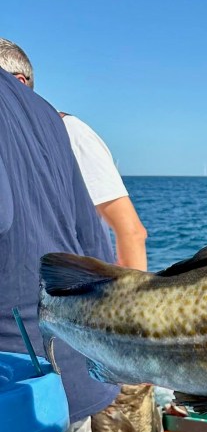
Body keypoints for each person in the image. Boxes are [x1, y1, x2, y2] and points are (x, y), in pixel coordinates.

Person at [0, 38, 142, 432]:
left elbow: (123, 236)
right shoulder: (50, 122)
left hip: (18, 392)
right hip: (67, 378)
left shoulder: (60, 125)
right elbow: (93, 248)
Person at [0, 39, 148, 272]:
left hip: (77, 295)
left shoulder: (71, 132)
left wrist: (129, 304)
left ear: (18, 83)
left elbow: (130, 232)